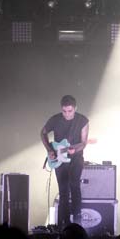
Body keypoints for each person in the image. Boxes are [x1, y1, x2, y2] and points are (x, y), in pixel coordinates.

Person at [40, 95, 89, 228]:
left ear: (75, 108)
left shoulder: (83, 120)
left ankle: (77, 222)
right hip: (59, 158)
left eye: (70, 111)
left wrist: (75, 149)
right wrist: (49, 150)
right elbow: (42, 133)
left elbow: (83, 143)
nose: (67, 114)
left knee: (74, 185)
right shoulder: (55, 119)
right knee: (63, 190)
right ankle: (65, 224)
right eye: (64, 111)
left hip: (76, 158)